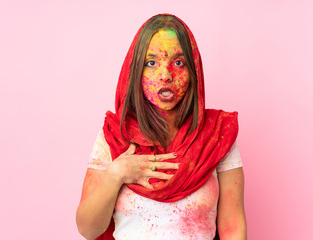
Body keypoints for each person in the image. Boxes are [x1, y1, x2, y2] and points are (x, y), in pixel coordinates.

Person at [76, 14, 247, 240]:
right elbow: (88, 229)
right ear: (136, 71)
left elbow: (232, 226)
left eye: (178, 62)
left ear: (193, 70)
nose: (165, 75)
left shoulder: (217, 135)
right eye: (152, 62)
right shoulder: (113, 137)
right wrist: (116, 174)